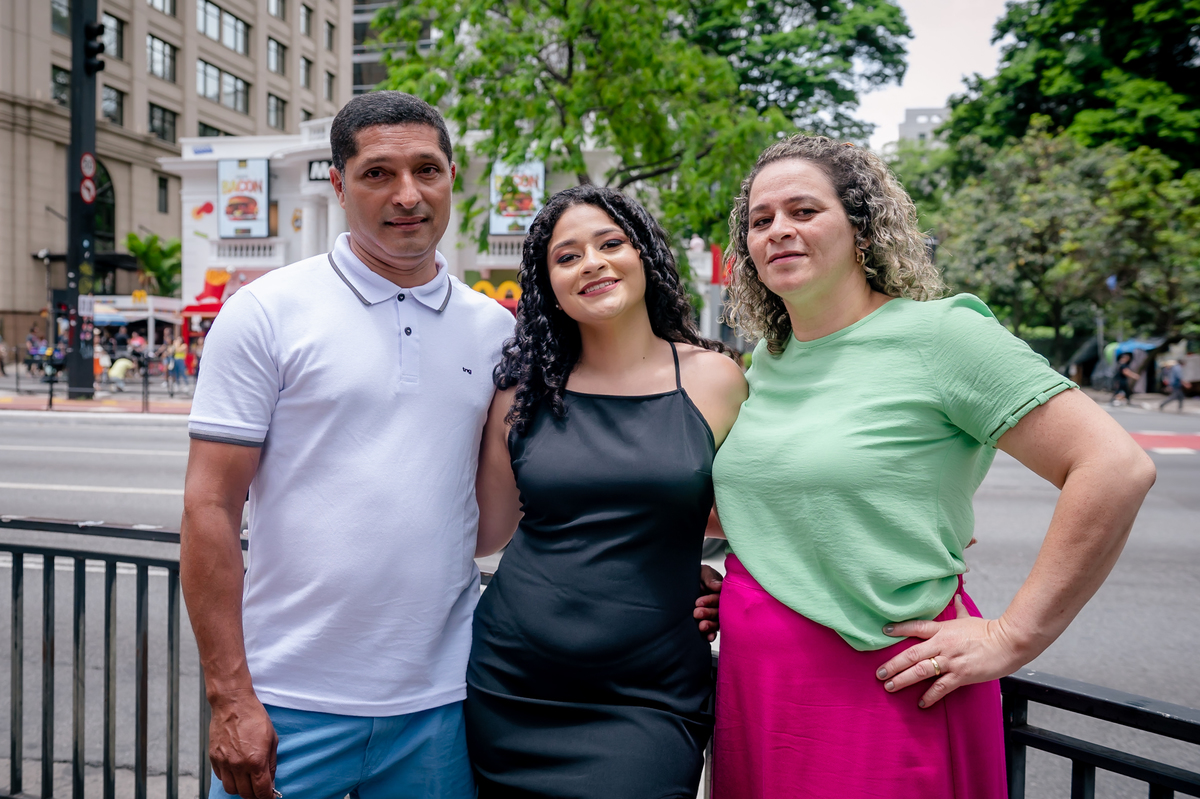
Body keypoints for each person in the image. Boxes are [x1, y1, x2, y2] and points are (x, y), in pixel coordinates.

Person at [181, 93, 720, 799]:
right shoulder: (264, 312)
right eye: (378, 173)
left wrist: (680, 568)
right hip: (288, 699)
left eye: (426, 170)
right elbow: (209, 507)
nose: (407, 195)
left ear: (452, 177)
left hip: (443, 703)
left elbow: (549, 496)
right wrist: (229, 695)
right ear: (338, 184)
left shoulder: (498, 336)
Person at [709, 135, 1156, 798]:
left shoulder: (942, 336)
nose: (778, 230)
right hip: (760, 685)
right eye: (760, 219)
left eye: (804, 211)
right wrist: (724, 577)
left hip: (888, 684)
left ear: (862, 230)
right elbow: (772, 504)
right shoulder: (767, 365)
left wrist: (1014, 634)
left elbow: (1114, 465)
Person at [466, 186, 747, 798]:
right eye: (567, 257)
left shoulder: (716, 379)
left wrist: (742, 590)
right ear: (549, 286)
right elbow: (486, 533)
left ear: (643, 255)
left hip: (652, 692)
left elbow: (751, 513)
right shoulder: (521, 393)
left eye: (610, 243)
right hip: (513, 680)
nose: (591, 263)